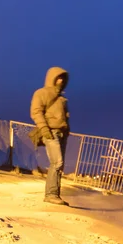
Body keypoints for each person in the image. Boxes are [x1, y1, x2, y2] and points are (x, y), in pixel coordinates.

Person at [29, 67, 70, 206]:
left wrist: (67, 131)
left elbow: (65, 117)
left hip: (62, 133)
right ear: (52, 78)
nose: (61, 80)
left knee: (60, 165)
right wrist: (44, 128)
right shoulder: (41, 93)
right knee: (57, 162)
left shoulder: (61, 98)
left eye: (63, 78)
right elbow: (36, 112)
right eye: (58, 77)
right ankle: (51, 194)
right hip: (50, 132)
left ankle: (55, 194)